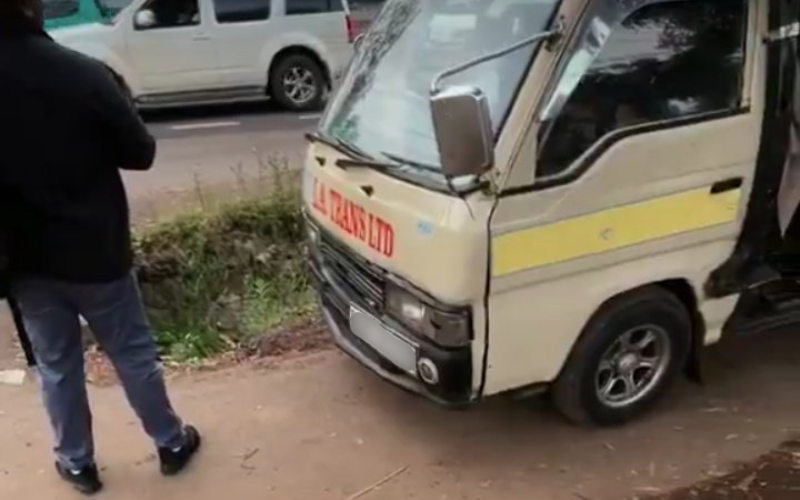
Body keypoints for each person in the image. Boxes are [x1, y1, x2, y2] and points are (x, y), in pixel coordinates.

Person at [0, 0, 201, 495]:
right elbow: (140, 152)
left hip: (23, 260)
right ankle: (170, 442)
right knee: (132, 352)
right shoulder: (82, 73)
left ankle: (76, 463)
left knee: (56, 364)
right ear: (32, 8)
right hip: (96, 250)